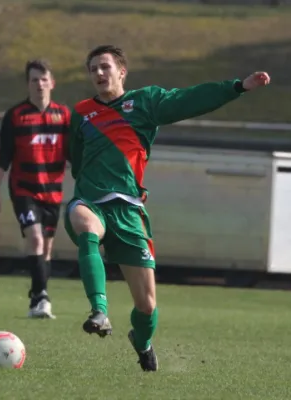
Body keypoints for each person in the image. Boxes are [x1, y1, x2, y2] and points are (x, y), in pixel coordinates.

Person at [65, 44, 270, 371]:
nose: (99, 74)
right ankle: (99, 311)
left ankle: (142, 342)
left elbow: (189, 99)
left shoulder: (145, 102)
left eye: (105, 67)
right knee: (85, 223)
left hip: (129, 209)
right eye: (93, 69)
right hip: (90, 200)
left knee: (146, 306)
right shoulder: (81, 112)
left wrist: (237, 87)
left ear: (122, 71)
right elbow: (74, 157)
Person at [0, 59, 70, 319]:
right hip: (24, 189)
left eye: (44, 79)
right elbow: (2, 157)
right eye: (34, 80)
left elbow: (75, 154)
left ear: (52, 83)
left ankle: (38, 296)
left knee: (45, 247)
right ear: (28, 84)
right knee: (34, 238)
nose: (40, 84)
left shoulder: (64, 115)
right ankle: (41, 297)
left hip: (53, 191)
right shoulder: (16, 115)